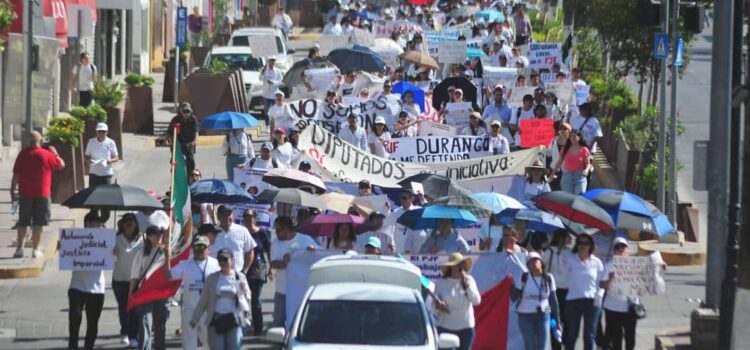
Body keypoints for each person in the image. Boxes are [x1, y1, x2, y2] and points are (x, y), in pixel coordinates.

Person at [11, 131, 65, 258]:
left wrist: (12, 191)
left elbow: (16, 175)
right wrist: (55, 152)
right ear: (40, 141)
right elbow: (62, 164)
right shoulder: (47, 154)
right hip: (43, 194)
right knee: (38, 223)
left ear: (28, 141)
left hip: (25, 194)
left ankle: (20, 249)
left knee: (23, 222)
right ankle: (35, 249)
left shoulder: (22, 155)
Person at [163, 235, 220, 350]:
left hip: (208, 311)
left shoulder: (216, 264)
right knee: (189, 345)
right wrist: (166, 258)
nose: (199, 250)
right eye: (196, 247)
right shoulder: (185, 264)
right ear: (192, 248)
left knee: (212, 344)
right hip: (190, 310)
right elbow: (168, 275)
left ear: (209, 249)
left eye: (202, 247)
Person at [190, 248, 251, 350]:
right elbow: (203, 301)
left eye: (225, 259)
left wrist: (245, 291)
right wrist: (194, 320)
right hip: (215, 320)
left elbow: (248, 298)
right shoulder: (212, 278)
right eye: (220, 260)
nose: (222, 262)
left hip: (234, 320)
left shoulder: (240, 277)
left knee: (235, 347)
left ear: (232, 260)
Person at [67, 212, 107, 350]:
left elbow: (112, 261)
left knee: (92, 323)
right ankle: (72, 346)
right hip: (77, 285)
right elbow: (68, 257)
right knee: (74, 319)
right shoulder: (76, 238)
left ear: (99, 224)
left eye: (94, 222)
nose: (90, 225)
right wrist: (63, 248)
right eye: (88, 222)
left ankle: (88, 347)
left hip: (96, 288)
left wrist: (114, 252)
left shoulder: (106, 240)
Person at [270, 216, 319, 327]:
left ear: (287, 229)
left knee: (299, 323)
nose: (276, 233)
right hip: (282, 292)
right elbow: (273, 263)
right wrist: (284, 262)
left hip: (301, 291)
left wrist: (312, 250)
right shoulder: (275, 243)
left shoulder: (305, 239)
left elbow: (319, 254)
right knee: (278, 323)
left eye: (278, 230)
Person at [561, 233, 604, 350]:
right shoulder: (570, 258)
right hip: (572, 300)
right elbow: (563, 272)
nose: (583, 246)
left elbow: (601, 283)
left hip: (591, 301)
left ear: (591, 245)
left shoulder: (597, 262)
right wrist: (562, 251)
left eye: (586, 243)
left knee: (589, 335)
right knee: (572, 334)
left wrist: (599, 296)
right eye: (580, 243)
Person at [130, 226, 169, 350]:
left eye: (160, 234)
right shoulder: (141, 253)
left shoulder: (166, 252)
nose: (159, 237)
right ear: (148, 236)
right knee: (145, 324)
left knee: (160, 326)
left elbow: (170, 272)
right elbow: (135, 276)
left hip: (161, 293)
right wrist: (131, 294)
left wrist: (168, 255)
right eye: (155, 234)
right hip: (145, 292)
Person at [512, 252, 561, 350]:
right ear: (528, 266)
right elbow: (513, 298)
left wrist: (557, 321)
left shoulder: (548, 278)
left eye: (536, 260)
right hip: (525, 315)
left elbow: (553, 300)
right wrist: (512, 287)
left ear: (541, 263)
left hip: (543, 315)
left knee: (543, 346)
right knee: (530, 346)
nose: (534, 263)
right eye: (530, 262)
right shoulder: (523, 277)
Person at [433, 253, 481, 350]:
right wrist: (439, 307)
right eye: (457, 265)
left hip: (466, 329)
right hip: (446, 328)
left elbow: (476, 301)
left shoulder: (469, 280)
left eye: (462, 264)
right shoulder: (441, 282)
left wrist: (467, 286)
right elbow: (434, 307)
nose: (460, 267)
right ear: (451, 267)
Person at [599, 237, 639, 350]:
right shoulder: (608, 266)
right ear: (614, 251)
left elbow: (648, 278)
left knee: (630, 337)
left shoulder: (636, 264)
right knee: (616, 338)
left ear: (627, 249)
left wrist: (660, 265)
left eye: (623, 246)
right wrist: (610, 279)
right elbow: (602, 285)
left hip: (630, 307)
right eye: (617, 247)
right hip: (613, 308)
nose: (620, 249)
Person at [113, 213, 143, 348]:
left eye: (131, 221)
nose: (129, 224)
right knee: (123, 308)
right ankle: (124, 332)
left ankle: (133, 335)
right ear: (121, 224)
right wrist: (111, 252)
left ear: (136, 224)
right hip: (120, 280)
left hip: (137, 281)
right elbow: (104, 257)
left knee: (135, 310)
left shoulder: (143, 239)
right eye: (126, 222)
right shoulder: (115, 239)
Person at [243, 209, 272, 336]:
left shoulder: (262, 233)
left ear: (255, 217)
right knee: (241, 299)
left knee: (255, 300)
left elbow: (269, 250)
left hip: (257, 269)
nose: (248, 219)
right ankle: (242, 325)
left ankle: (258, 327)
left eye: (251, 216)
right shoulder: (242, 232)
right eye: (246, 217)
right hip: (242, 268)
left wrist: (272, 267)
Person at [544, 229, 574, 350]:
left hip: (568, 290)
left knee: (568, 320)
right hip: (553, 291)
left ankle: (566, 343)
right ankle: (556, 345)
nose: (571, 239)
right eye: (568, 236)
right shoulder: (549, 251)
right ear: (561, 238)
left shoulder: (570, 252)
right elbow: (542, 266)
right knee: (555, 319)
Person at [85, 122, 119, 223]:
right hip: (94, 173)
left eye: (103, 131)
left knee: (106, 198)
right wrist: (89, 162)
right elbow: (86, 156)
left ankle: (103, 220)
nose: (101, 133)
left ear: (107, 132)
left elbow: (116, 157)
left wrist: (109, 161)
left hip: (106, 174)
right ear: (96, 132)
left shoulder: (111, 142)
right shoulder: (91, 142)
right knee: (93, 197)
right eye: (100, 131)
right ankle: (94, 220)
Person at [212, 205, 257, 276]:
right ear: (218, 216)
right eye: (224, 215)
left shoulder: (242, 230)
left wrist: (245, 271)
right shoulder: (211, 232)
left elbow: (250, 252)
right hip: (215, 275)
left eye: (229, 215)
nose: (227, 218)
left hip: (236, 275)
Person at [550, 130, 591, 194]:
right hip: (567, 176)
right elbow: (559, 163)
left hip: (580, 176)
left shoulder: (584, 150)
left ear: (579, 137)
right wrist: (552, 175)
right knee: (568, 197)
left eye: (574, 136)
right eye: (571, 136)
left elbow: (588, 164)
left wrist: (586, 170)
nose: (572, 138)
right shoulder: (565, 148)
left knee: (580, 194)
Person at [387, 189, 427, 253]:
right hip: (400, 249)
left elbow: (430, 212)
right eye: (401, 198)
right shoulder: (395, 213)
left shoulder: (418, 210)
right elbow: (390, 230)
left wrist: (422, 200)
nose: (402, 200)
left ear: (412, 199)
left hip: (416, 249)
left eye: (404, 198)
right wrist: (391, 242)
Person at [167, 102, 199, 176]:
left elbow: (196, 131)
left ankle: (190, 178)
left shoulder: (193, 119)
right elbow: (169, 131)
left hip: (189, 142)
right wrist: (167, 139)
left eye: (188, 111)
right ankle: (176, 175)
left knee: (190, 161)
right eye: (184, 111)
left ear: (191, 111)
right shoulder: (175, 119)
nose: (186, 113)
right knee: (176, 160)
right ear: (181, 111)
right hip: (178, 142)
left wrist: (195, 141)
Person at [546, 123, 571, 191]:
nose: (562, 130)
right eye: (561, 128)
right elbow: (548, 155)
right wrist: (547, 167)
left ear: (569, 131)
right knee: (551, 189)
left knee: (562, 190)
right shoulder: (553, 140)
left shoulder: (572, 143)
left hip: (566, 171)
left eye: (565, 129)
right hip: (553, 169)